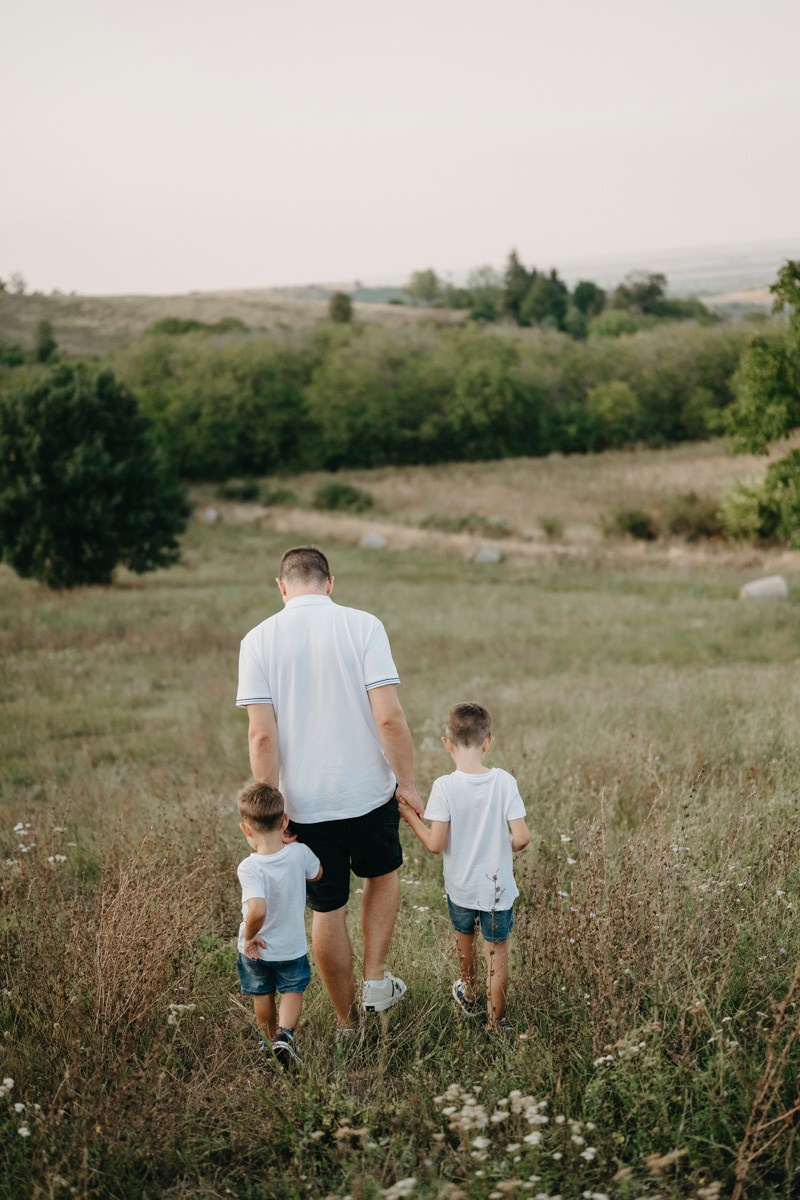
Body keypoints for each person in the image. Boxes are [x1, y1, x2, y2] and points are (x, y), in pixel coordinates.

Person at [236, 545, 423, 1034]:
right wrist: (409, 783)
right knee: (381, 875)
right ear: (329, 583)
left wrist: (268, 810)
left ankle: (345, 1022)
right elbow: (389, 716)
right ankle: (377, 980)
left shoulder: (257, 640)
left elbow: (261, 734)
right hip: (368, 793)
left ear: (281, 588)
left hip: (302, 807)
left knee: (327, 906)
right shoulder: (364, 626)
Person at [398, 701, 530, 1028]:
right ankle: (496, 1024)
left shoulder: (445, 786)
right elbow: (523, 837)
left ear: (447, 744)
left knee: (464, 944)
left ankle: (470, 994)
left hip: (460, 889)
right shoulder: (504, 782)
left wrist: (411, 818)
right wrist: (503, 848)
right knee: (497, 958)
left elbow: (435, 844)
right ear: (488, 742)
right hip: (497, 891)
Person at [236, 780, 322, 1067]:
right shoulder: (300, 853)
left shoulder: (249, 867)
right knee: (291, 990)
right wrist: (296, 849)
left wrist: (249, 937)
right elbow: (317, 874)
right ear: (284, 820)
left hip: (255, 949)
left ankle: (268, 1039)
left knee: (261, 992)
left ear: (246, 829)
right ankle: (285, 1037)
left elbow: (257, 909)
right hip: (291, 946)